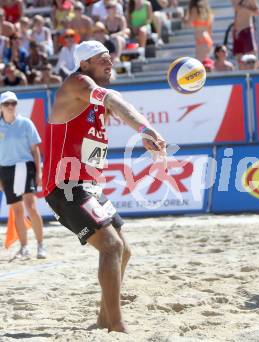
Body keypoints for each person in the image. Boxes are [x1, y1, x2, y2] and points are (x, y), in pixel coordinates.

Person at [42, 40, 166, 332]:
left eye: (110, 59)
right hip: (65, 187)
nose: (110, 64)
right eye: (102, 60)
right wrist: (146, 130)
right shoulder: (77, 84)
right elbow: (112, 100)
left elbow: (118, 104)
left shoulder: (95, 100)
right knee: (110, 246)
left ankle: (103, 319)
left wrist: (142, 127)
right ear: (84, 64)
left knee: (123, 250)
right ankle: (117, 326)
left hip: (88, 186)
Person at [0, 91, 46, 259]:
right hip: (5, 169)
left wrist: (39, 172)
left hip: (24, 167)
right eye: (7, 104)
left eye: (13, 103)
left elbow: (35, 151)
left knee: (31, 207)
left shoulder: (26, 124)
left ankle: (41, 246)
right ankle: (24, 247)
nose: (11, 106)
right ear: (1, 107)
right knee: (17, 211)